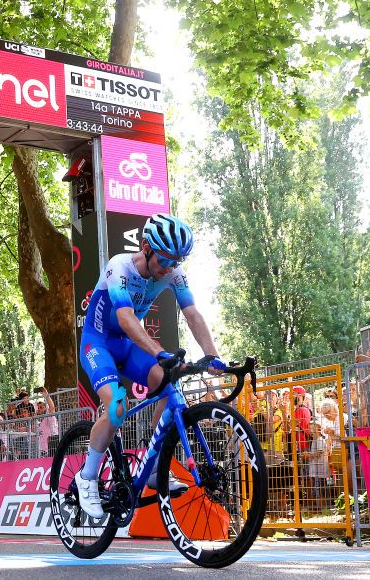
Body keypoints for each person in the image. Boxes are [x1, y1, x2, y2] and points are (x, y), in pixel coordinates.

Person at [74, 213, 224, 518]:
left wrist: (213, 356)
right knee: (117, 404)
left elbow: (192, 313)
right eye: (164, 260)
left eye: (175, 261)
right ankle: (86, 477)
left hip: (127, 347)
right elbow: (127, 319)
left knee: (170, 386)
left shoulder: (173, 273)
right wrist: (158, 351)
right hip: (98, 343)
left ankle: (154, 466)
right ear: (145, 247)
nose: (168, 268)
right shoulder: (120, 266)